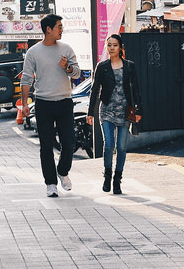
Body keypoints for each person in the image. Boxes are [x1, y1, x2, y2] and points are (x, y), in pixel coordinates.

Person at [19, 14, 80, 197]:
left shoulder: (66, 49)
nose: (62, 29)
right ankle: (51, 184)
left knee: (68, 143)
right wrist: (24, 104)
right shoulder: (33, 52)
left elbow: (77, 74)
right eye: (59, 26)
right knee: (46, 146)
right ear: (48, 29)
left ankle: (62, 172)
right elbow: (27, 78)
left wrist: (67, 67)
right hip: (43, 103)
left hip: (64, 102)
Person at [88, 33, 143, 195]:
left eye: (115, 45)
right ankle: (107, 176)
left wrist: (139, 111)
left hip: (125, 112)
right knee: (109, 145)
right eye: (109, 45)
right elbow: (94, 89)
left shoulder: (129, 66)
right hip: (106, 112)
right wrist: (90, 112)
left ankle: (117, 180)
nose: (111, 48)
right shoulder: (102, 66)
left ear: (120, 48)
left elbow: (136, 89)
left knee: (122, 147)